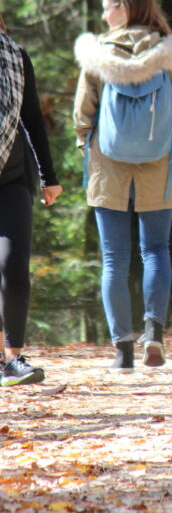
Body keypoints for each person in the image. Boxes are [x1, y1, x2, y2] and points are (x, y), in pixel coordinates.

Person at [73, 0, 172, 369]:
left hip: (107, 163)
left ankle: (122, 350)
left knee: (114, 257)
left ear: (123, 9)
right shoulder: (171, 52)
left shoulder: (97, 55)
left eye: (108, 5)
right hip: (161, 160)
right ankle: (154, 334)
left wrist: (85, 147)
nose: (104, 13)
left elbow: (83, 112)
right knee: (156, 250)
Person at [0, 20, 62, 387]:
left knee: (13, 267)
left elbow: (33, 119)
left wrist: (48, 175)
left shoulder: (16, 58)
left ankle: (13, 358)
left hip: (12, 178)